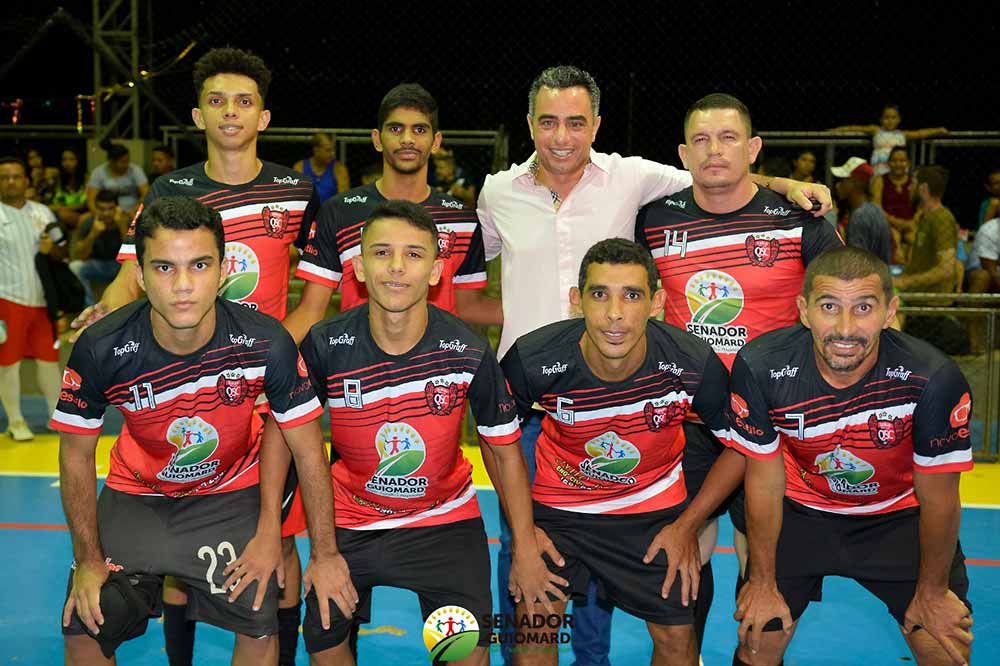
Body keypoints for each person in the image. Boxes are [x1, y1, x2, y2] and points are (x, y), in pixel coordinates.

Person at [478, 66, 831, 666]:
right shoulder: (497, 192)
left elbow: (719, 172)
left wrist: (784, 183)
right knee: (529, 559)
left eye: (575, 122)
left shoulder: (634, 178)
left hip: (660, 402)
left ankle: (599, 659)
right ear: (530, 123)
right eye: (548, 121)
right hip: (536, 403)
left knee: (689, 554)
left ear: (596, 125)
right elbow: (462, 279)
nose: (561, 136)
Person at [71, 47, 320, 666]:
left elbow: (317, 295)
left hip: (264, 382)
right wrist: (104, 311)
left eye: (243, 101)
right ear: (197, 115)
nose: (230, 112)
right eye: (216, 101)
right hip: (187, 381)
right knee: (179, 562)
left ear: (263, 116)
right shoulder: (170, 190)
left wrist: (265, 360)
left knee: (277, 546)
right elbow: (131, 276)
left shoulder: (295, 190)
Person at [52, 195, 345, 666]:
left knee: (258, 617)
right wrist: (88, 561)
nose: (183, 285)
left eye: (200, 265)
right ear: (140, 274)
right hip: (138, 494)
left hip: (230, 494)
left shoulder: (266, 342)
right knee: (88, 618)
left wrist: (315, 551)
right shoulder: (102, 347)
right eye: (164, 268)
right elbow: (75, 455)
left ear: (224, 270)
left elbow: (310, 450)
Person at [289, 200, 557, 665]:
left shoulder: (468, 349)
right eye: (382, 253)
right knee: (326, 654)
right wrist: (323, 551)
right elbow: (289, 436)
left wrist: (526, 542)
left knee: (467, 656)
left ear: (436, 271)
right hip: (350, 520)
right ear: (358, 267)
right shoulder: (326, 342)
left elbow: (503, 450)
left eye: (413, 254)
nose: (396, 267)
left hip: (444, 523)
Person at [633, 92, 843, 652]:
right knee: (682, 560)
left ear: (753, 148)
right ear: (683, 154)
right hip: (687, 424)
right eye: (701, 140)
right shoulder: (654, 220)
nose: (714, 151)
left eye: (728, 138)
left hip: (774, 429)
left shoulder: (799, 220)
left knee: (764, 573)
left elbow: (842, 309)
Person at [728, 246, 973, 666]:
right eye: (829, 307)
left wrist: (932, 592)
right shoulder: (761, 366)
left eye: (863, 307)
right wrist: (763, 581)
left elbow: (940, 498)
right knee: (758, 643)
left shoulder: (932, 378)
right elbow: (764, 482)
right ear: (804, 311)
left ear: (890, 312)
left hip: (898, 517)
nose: (845, 328)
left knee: (946, 649)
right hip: (800, 513)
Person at [498, 239, 734, 665]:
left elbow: (745, 447)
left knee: (678, 642)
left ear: (656, 303)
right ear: (577, 300)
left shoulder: (692, 361)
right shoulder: (533, 357)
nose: (614, 313)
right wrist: (524, 535)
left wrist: (687, 526)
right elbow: (496, 439)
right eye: (599, 294)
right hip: (560, 510)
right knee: (533, 632)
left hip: (652, 512)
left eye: (632, 296)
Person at [286, 82, 501, 344]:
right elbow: (310, 311)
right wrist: (262, 360)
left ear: (436, 141)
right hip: (357, 361)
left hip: (435, 365)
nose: (407, 139)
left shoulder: (462, 220)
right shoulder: (340, 212)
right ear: (377, 139)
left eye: (419, 129)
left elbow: (469, 306)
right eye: (396, 129)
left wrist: (542, 312)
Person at [0, 156, 64, 442]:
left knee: (49, 361)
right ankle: (15, 421)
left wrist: (52, 249)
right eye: (4, 177)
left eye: (15, 176)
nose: (10, 182)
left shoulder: (43, 212)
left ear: (26, 180)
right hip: (7, 299)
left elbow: (63, 251)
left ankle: (57, 417)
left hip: (42, 301)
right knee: (8, 363)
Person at [831, 104, 948, 177]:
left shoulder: (902, 134)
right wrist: (837, 130)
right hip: (879, 170)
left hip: (898, 169)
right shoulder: (876, 130)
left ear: (899, 119)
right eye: (886, 117)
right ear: (881, 119)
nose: (890, 121)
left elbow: (920, 133)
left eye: (893, 117)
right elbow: (856, 128)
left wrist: (938, 130)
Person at [70, 189, 129, 305]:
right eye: (102, 209)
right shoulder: (88, 223)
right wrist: (93, 234)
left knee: (136, 267)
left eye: (110, 209)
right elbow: (78, 256)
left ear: (117, 209)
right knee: (75, 267)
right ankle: (89, 308)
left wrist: (122, 226)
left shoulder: (126, 221)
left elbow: (133, 256)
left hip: (119, 266)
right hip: (96, 265)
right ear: (96, 209)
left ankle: (126, 309)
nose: (106, 213)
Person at [832, 156, 892, 264]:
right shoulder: (877, 210)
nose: (837, 185)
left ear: (854, 183)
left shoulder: (859, 217)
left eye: (843, 180)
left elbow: (856, 264)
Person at [871, 146, 917, 264]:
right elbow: (876, 207)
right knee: (894, 241)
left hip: (910, 224)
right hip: (888, 223)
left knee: (915, 240)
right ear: (888, 163)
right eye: (894, 160)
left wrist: (912, 222)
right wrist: (895, 222)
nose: (898, 164)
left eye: (902, 160)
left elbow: (921, 207)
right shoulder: (880, 181)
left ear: (908, 163)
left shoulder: (914, 182)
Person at [86, 139, 149, 217]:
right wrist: (100, 215)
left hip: (132, 213)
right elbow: (91, 200)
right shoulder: (98, 172)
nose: (126, 165)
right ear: (111, 161)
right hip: (106, 213)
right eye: (122, 162)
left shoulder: (135, 170)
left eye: (127, 161)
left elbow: (146, 195)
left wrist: (136, 210)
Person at [293, 133, 350, 205]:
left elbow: (344, 201)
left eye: (334, 150)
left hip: (330, 211)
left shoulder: (339, 169)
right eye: (328, 150)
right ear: (316, 150)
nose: (333, 154)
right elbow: (295, 198)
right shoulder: (300, 167)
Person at [50, 148, 89, 230]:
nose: (67, 163)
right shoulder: (58, 178)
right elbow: (55, 200)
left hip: (81, 214)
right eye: (64, 160)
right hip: (60, 213)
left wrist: (61, 208)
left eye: (71, 159)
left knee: (61, 214)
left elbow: (83, 205)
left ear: (78, 161)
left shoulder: (86, 178)